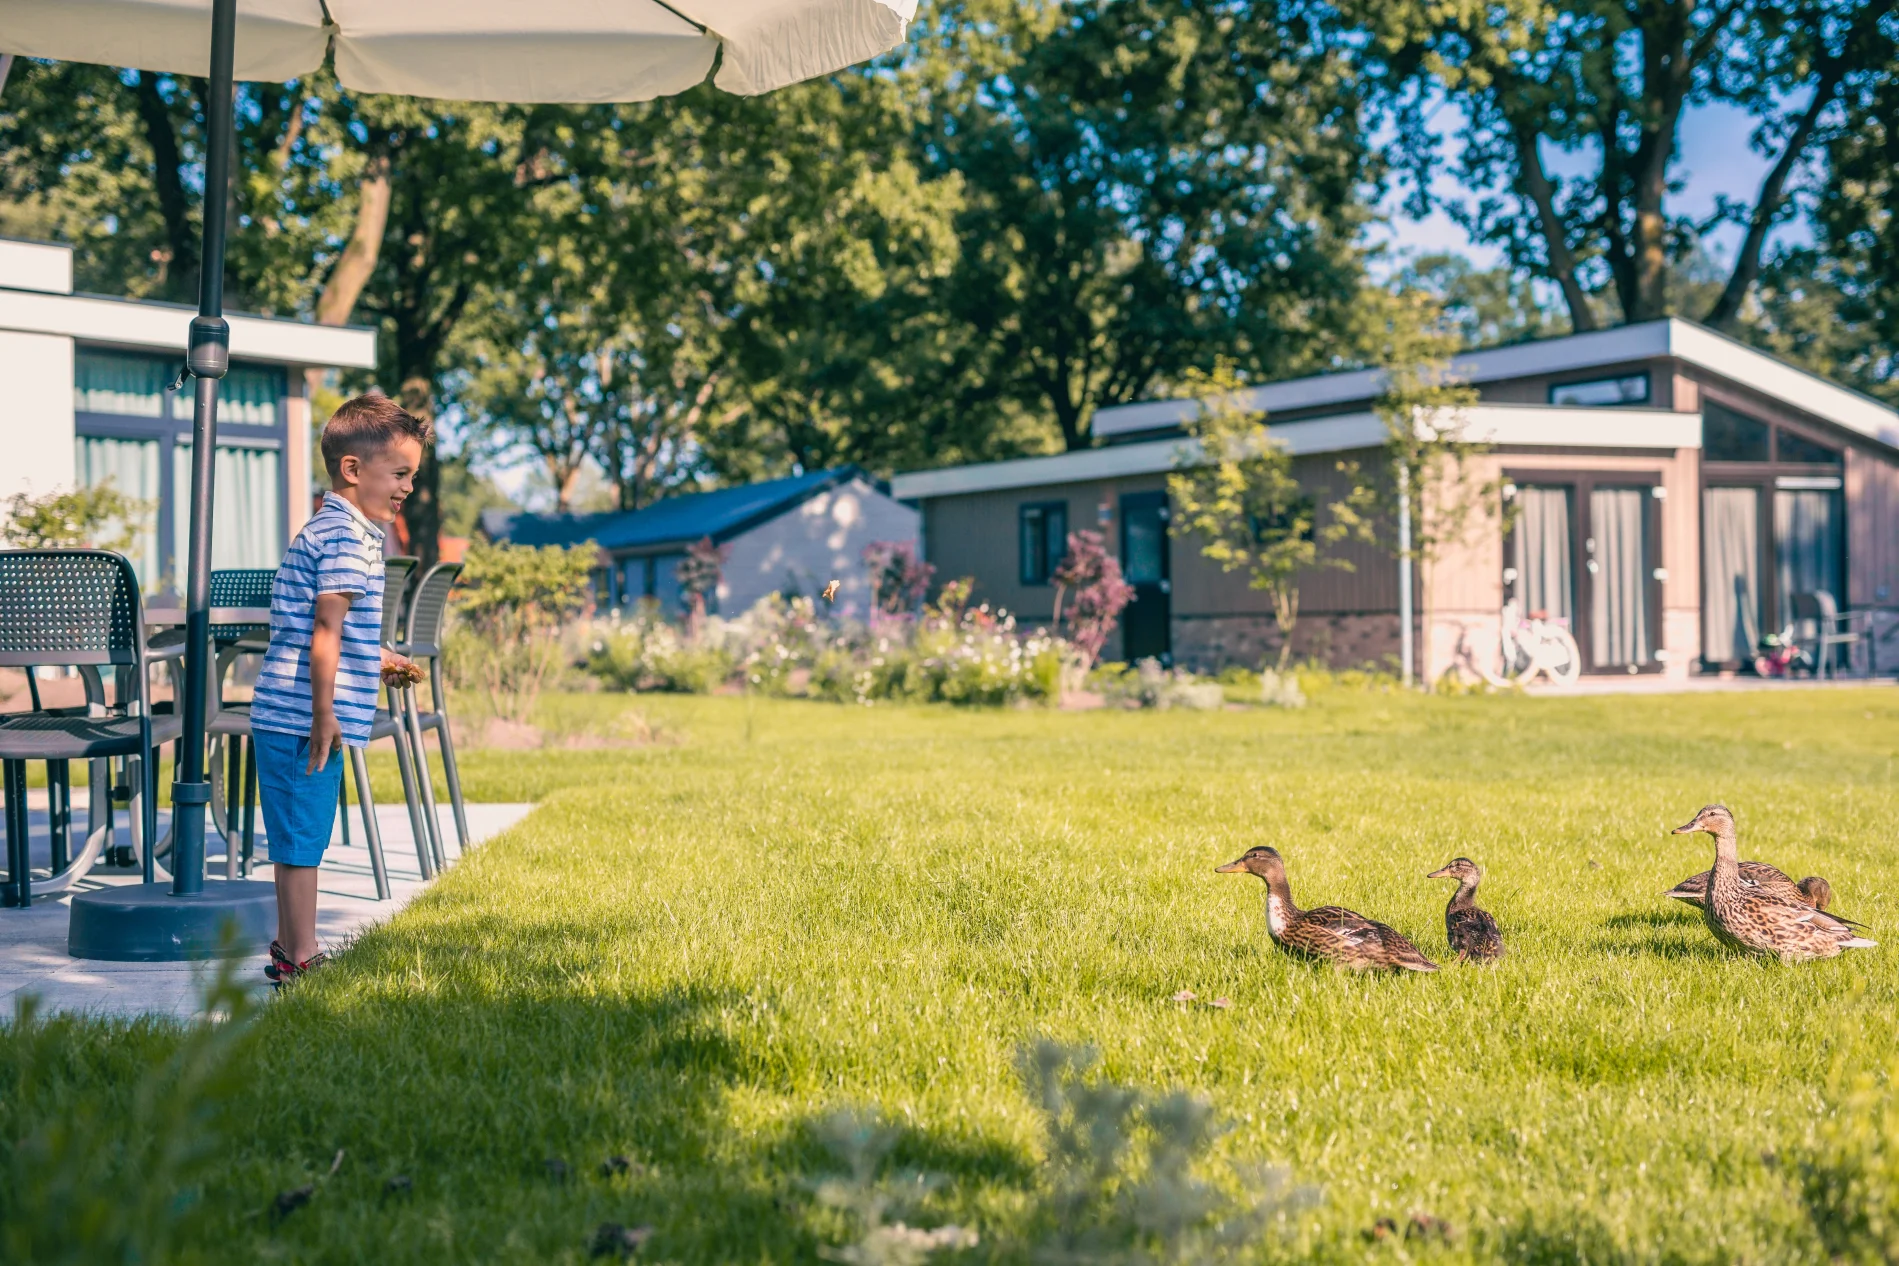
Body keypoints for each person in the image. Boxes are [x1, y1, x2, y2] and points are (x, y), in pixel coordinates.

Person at [248, 392, 430, 983]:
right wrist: (324, 713)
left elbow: (326, 627)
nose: (407, 488)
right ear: (353, 470)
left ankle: (290, 948)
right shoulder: (349, 538)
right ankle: (301, 957)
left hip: (287, 710)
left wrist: (373, 656)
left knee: (298, 836)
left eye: (412, 476)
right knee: (302, 840)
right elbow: (325, 628)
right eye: (399, 474)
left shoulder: (334, 528)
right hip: (303, 714)